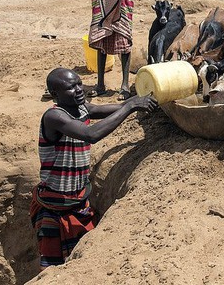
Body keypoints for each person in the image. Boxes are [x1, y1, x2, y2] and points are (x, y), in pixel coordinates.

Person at [30, 67, 157, 269]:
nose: (79, 89)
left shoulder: (83, 109)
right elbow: (91, 134)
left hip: (79, 202)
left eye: (79, 83)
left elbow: (118, 107)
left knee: (83, 262)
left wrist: (145, 100)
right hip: (55, 208)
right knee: (53, 269)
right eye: (71, 88)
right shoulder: (54, 117)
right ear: (55, 94)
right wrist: (131, 106)